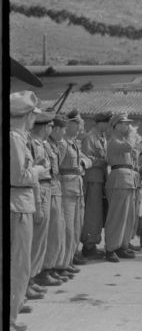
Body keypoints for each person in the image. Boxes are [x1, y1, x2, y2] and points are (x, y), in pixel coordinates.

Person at [9, 91, 51, 331]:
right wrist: (38, 171)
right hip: (18, 206)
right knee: (19, 265)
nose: (35, 119)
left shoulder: (18, 137)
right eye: (33, 115)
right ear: (25, 115)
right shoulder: (15, 138)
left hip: (19, 204)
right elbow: (19, 176)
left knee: (19, 264)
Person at [28, 111, 63, 291]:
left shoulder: (41, 143)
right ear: (43, 126)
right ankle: (27, 281)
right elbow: (33, 175)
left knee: (41, 239)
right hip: (39, 189)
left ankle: (33, 277)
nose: (52, 128)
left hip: (47, 188)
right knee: (35, 239)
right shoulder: (32, 144)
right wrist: (37, 204)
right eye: (50, 125)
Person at [59, 110, 92, 268]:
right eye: (78, 123)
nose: (80, 127)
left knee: (77, 225)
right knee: (67, 228)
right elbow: (55, 169)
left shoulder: (74, 143)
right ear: (69, 123)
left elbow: (86, 159)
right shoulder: (63, 143)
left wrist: (83, 164)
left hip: (77, 188)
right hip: (66, 190)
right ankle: (64, 261)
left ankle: (71, 257)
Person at [104, 112, 138, 262]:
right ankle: (111, 247)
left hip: (128, 179)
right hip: (119, 178)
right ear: (116, 125)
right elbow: (130, 146)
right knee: (117, 216)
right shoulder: (113, 141)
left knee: (127, 215)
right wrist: (131, 133)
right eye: (124, 123)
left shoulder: (122, 139)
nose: (127, 126)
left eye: (128, 124)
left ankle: (122, 245)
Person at [45, 114, 76, 280]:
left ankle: (51, 268)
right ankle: (45, 270)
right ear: (55, 129)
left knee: (57, 232)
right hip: (48, 191)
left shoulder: (54, 145)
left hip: (56, 189)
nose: (64, 133)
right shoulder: (46, 145)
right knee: (51, 233)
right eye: (63, 129)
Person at [80, 111, 111, 258]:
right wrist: (103, 161)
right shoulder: (89, 137)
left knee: (98, 214)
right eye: (107, 122)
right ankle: (88, 245)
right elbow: (86, 159)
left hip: (100, 180)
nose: (108, 125)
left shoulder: (102, 138)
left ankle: (93, 242)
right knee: (92, 214)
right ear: (100, 123)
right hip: (92, 180)